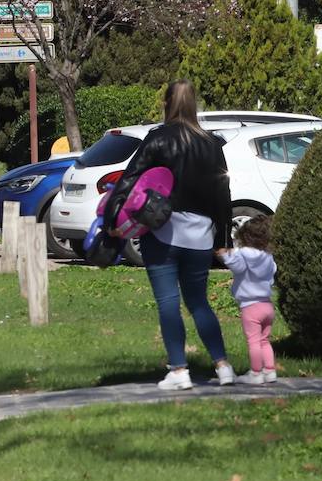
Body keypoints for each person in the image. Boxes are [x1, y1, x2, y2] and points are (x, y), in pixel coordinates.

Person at [105, 79, 235, 391]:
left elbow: (130, 179)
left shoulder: (157, 139)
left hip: (163, 232)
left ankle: (179, 369)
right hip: (201, 236)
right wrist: (223, 241)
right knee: (199, 302)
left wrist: (112, 218)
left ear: (167, 104)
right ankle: (223, 366)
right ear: (194, 105)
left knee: (168, 301)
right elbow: (223, 194)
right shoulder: (212, 145)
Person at [219, 217, 278, 385]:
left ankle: (256, 373)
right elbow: (274, 269)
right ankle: (270, 370)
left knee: (253, 342)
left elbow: (237, 266)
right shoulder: (268, 257)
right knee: (264, 340)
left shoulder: (242, 254)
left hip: (250, 306)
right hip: (267, 305)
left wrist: (225, 255)